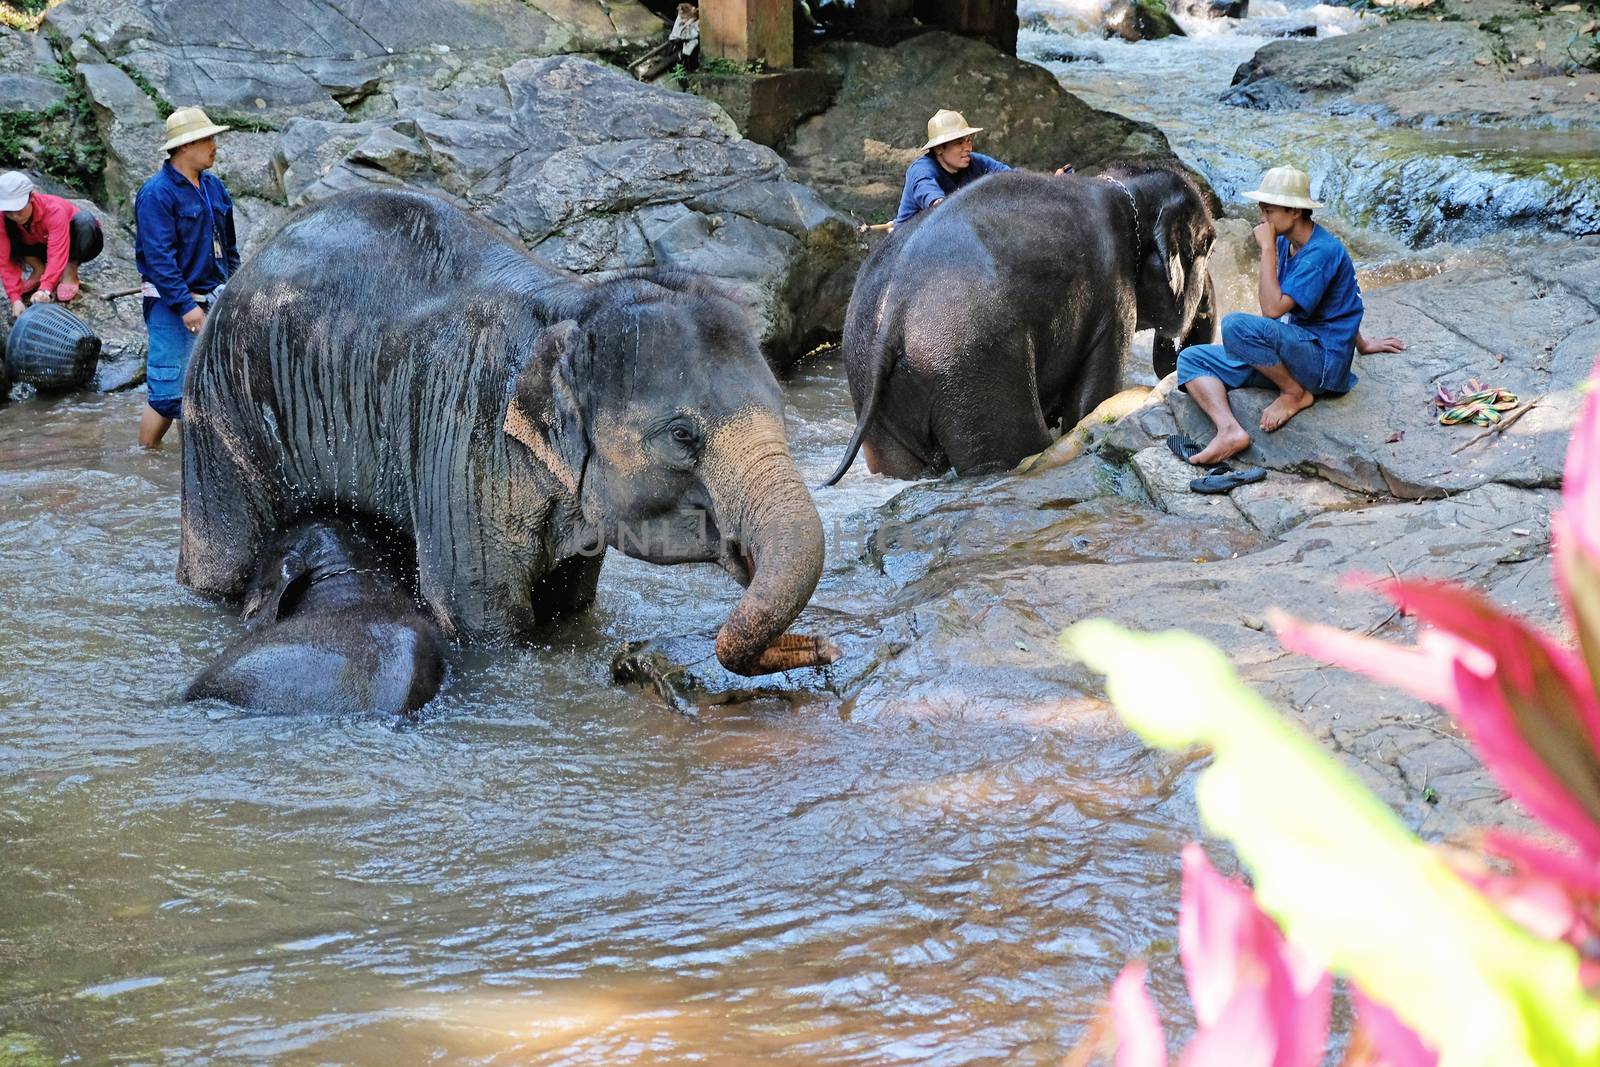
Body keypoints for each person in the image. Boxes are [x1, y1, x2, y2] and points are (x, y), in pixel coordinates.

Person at [1177, 165, 1404, 467]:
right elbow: (1341, 299)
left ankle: (1294, 393)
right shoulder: (1288, 243)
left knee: (1234, 325)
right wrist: (1362, 344)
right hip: (1297, 354)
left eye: (1268, 211)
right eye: (1262, 210)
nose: (1262, 219)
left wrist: (1267, 249)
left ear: (1295, 211)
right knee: (1191, 358)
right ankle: (1230, 430)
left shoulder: (1321, 252)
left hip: (1321, 365)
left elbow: (1271, 310)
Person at [134, 106, 239, 449]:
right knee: (171, 392)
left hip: (211, 299)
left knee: (198, 389)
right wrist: (184, 306)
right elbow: (159, 259)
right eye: (207, 138)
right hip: (171, 304)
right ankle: (145, 456)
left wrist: (234, 289)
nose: (214, 145)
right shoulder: (157, 193)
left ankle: (186, 461)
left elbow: (229, 247)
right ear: (183, 147)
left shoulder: (215, 188)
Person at [892, 109, 1070, 227]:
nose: (967, 148)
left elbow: (1012, 177)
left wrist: (1050, 180)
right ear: (939, 148)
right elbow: (933, 200)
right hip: (910, 246)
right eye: (959, 142)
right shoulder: (922, 171)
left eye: (969, 141)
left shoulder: (975, 162)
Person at [0, 171, 104, 318]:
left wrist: (45, 289)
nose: (15, 216)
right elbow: (4, 259)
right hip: (39, 243)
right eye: (9, 212)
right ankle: (39, 269)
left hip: (74, 242)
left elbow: (57, 252)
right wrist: (15, 298)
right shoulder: (3, 218)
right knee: (11, 232)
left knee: (85, 221)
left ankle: (70, 271)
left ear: (31, 197)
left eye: (18, 209)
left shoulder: (53, 211)